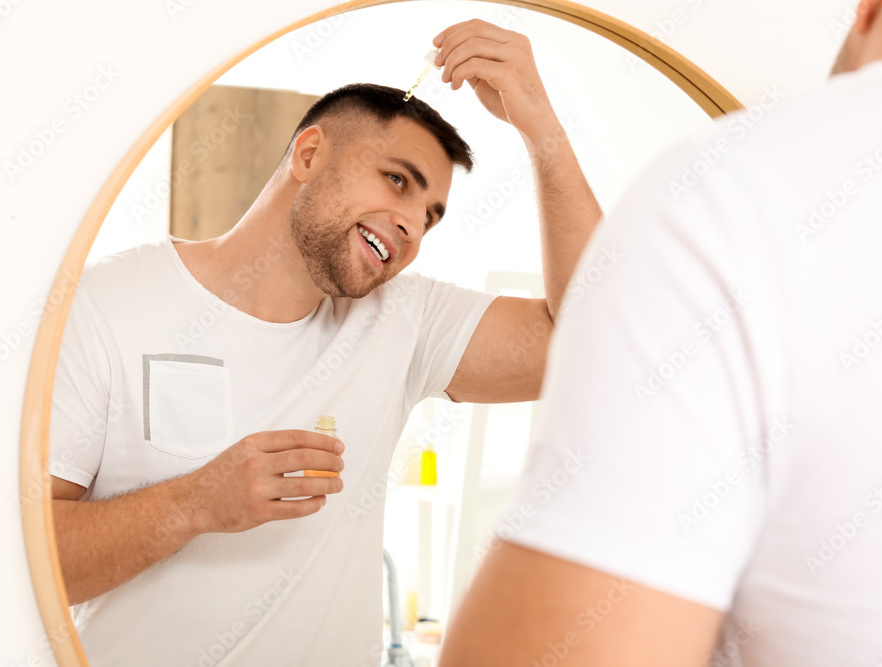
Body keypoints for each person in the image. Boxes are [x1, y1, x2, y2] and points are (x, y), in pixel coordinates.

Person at [48, 19, 602, 667]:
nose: (411, 224)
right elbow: (18, 556)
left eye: (430, 216)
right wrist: (195, 502)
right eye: (398, 180)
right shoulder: (106, 303)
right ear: (308, 155)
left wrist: (543, 133)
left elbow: (593, 338)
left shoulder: (406, 318)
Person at [441, 0, 882, 665]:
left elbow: (571, 323)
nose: (407, 225)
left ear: (869, 8)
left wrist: (542, 131)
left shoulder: (734, 196)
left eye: (424, 203)